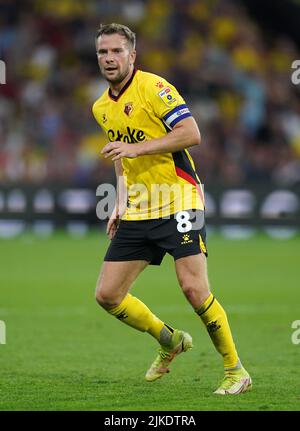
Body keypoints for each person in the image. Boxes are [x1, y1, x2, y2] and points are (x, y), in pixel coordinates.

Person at [92, 22, 252, 395]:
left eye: (117, 51)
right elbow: (120, 156)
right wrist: (119, 200)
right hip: (139, 208)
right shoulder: (101, 107)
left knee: (194, 288)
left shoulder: (154, 88)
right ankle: (169, 340)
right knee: (107, 295)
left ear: (133, 55)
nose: (109, 58)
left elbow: (192, 133)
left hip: (179, 199)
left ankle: (235, 370)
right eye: (103, 52)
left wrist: (138, 148)